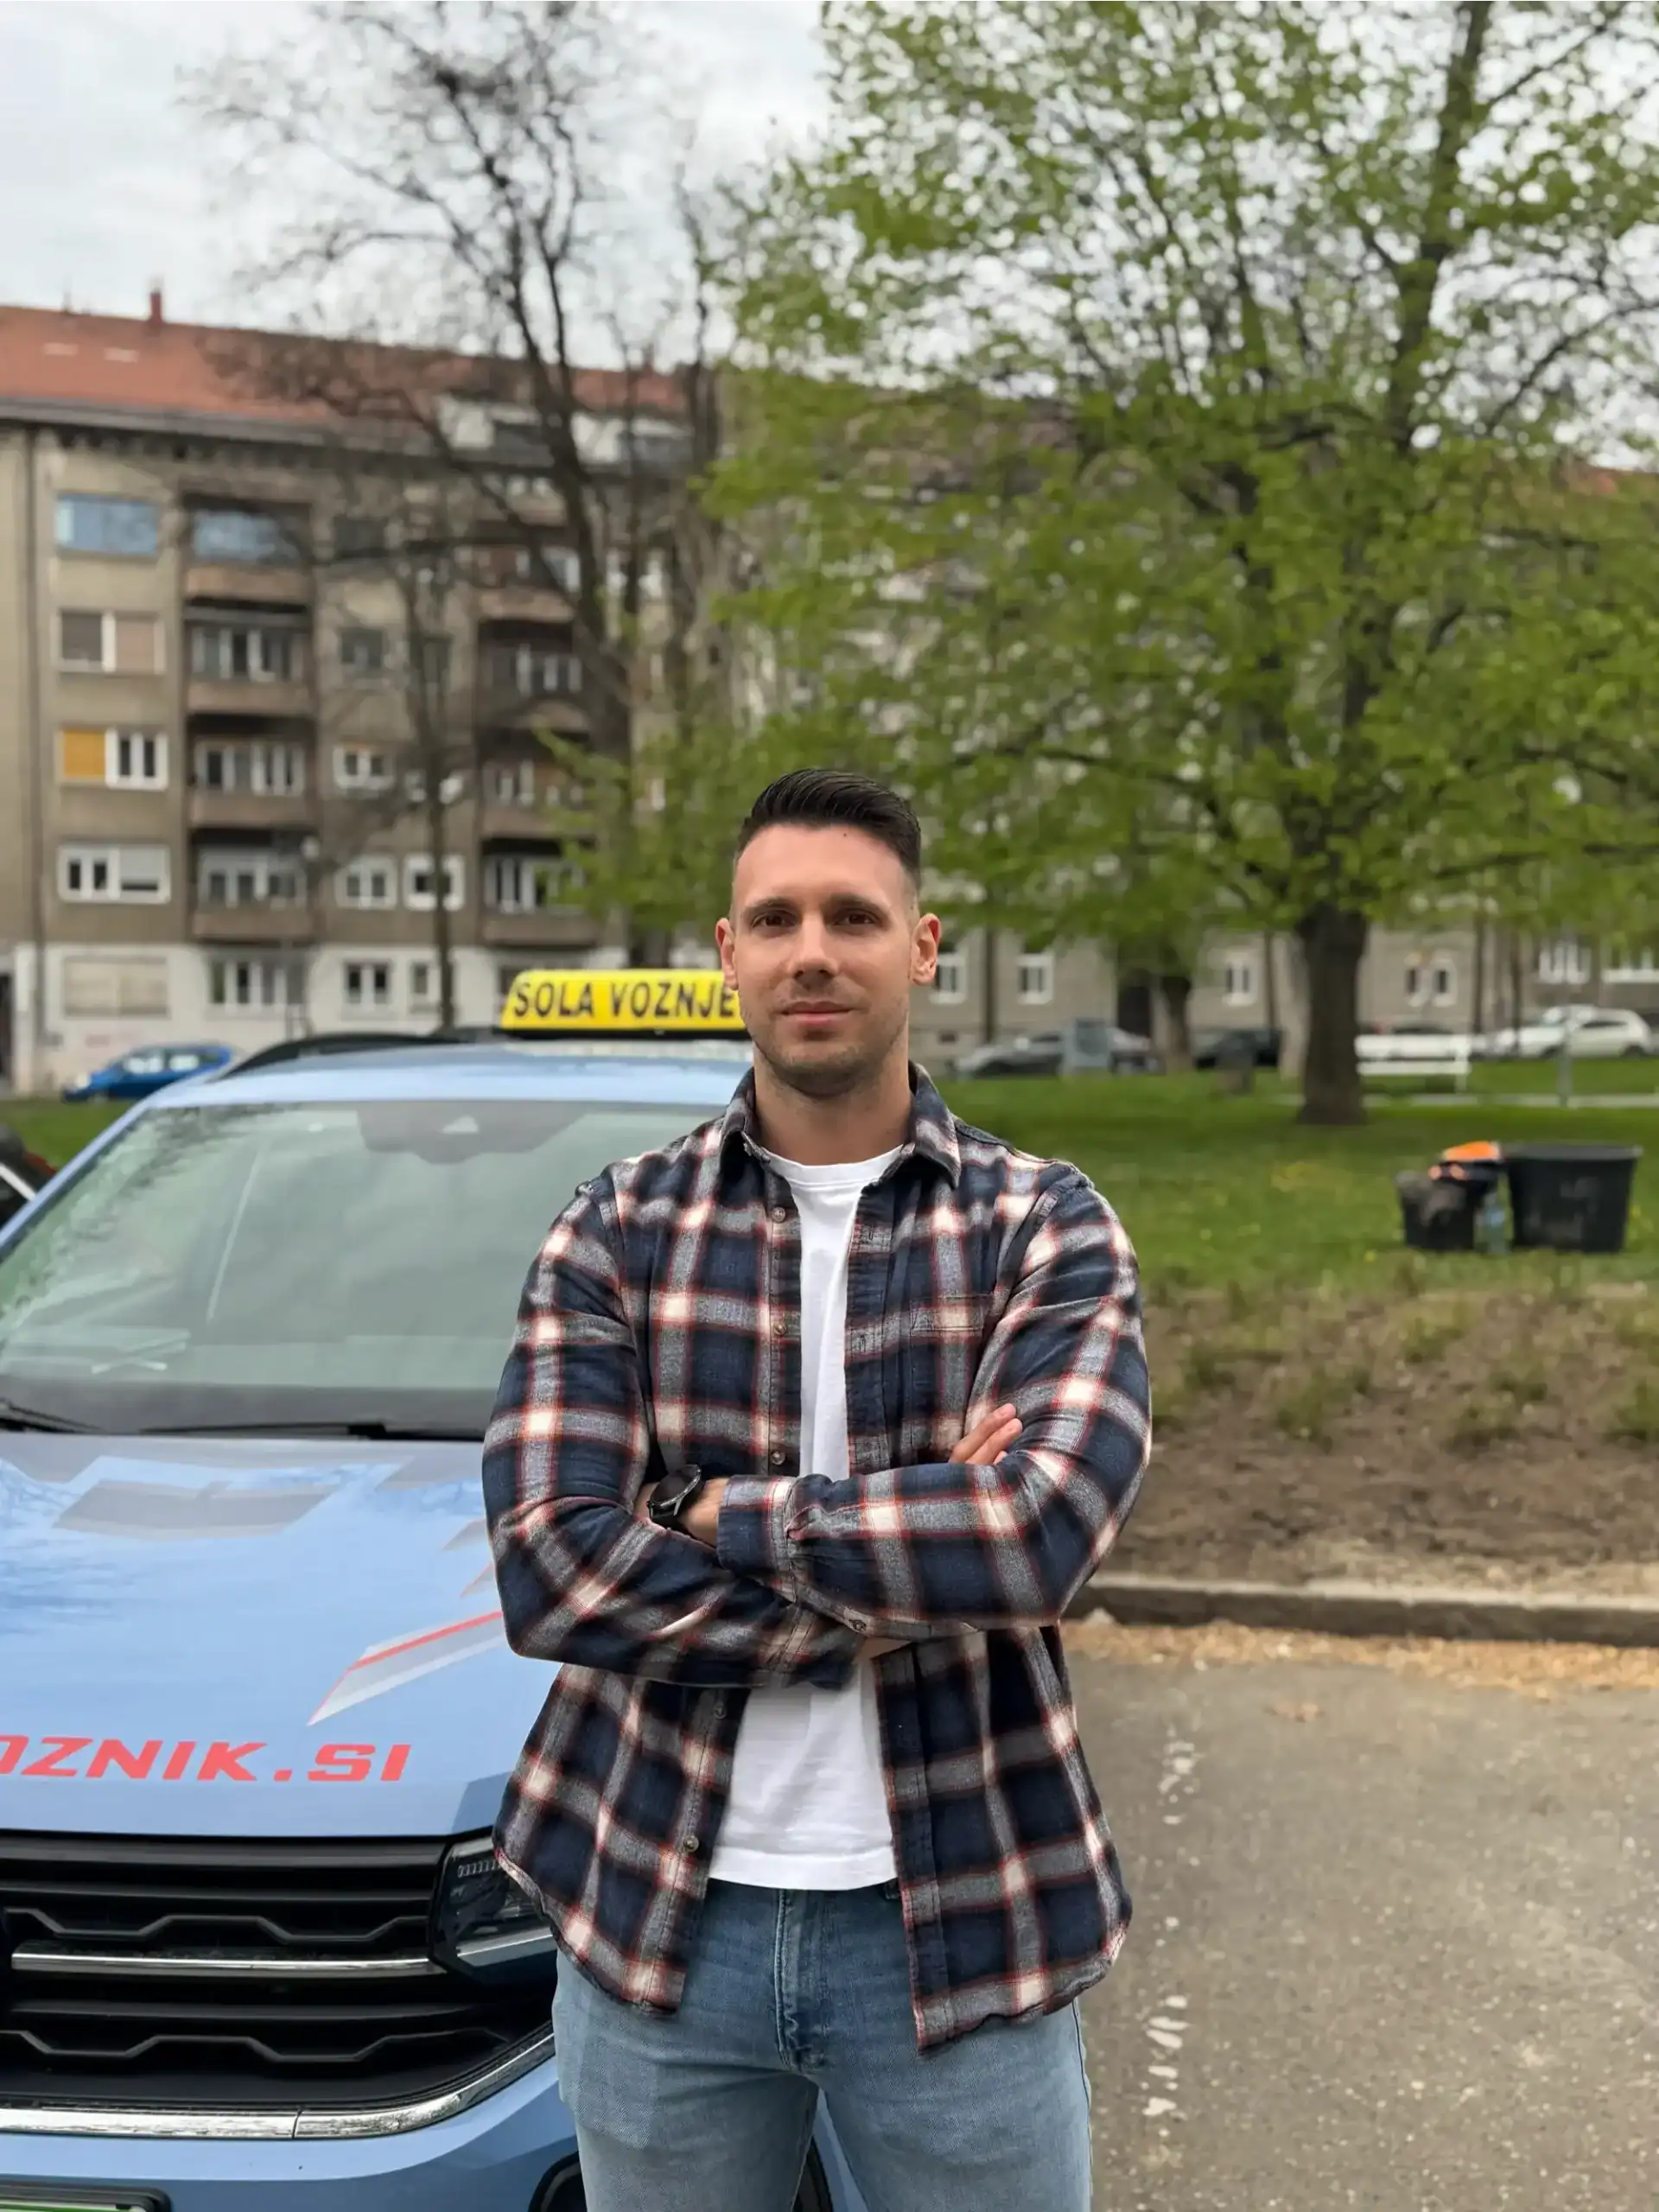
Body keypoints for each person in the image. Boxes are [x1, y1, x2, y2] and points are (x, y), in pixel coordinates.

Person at [484, 769, 1152, 2212]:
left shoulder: (1042, 1224)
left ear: (923, 946)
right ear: (728, 952)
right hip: (657, 1903)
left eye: (854, 916)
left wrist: (698, 1511)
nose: (813, 952)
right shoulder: (618, 1228)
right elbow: (551, 1566)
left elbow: (1036, 1537)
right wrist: (912, 1565)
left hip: (968, 1901)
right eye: (777, 919)